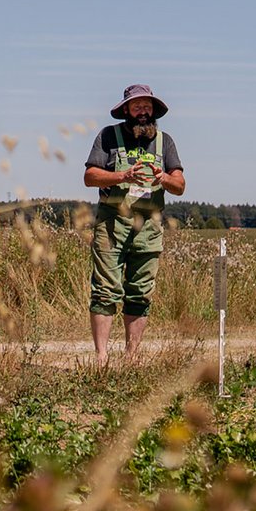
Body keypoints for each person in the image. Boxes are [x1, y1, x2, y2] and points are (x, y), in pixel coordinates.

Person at [83, 84, 185, 366]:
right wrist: (123, 175)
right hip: (112, 222)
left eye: (147, 106)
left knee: (140, 291)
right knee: (105, 289)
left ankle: (132, 356)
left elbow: (180, 185)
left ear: (154, 111)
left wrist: (162, 177)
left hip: (149, 227)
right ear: (126, 109)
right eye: (137, 106)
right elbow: (90, 176)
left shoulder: (166, 142)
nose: (143, 112)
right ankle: (101, 357)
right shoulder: (108, 136)